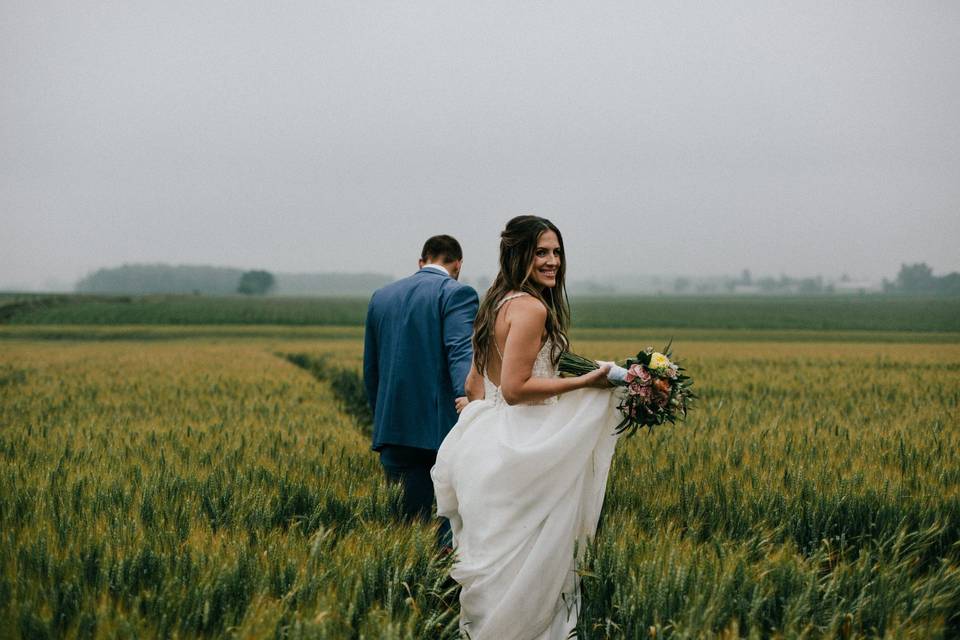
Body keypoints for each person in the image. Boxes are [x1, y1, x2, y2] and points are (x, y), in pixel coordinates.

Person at [432, 215, 621, 640]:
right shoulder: (533, 309)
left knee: (503, 562)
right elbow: (517, 390)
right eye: (541, 252)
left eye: (556, 252)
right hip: (526, 444)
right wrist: (588, 381)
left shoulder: (495, 303)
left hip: (489, 446)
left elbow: (474, 384)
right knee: (535, 563)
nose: (552, 261)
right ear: (518, 254)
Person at [363, 234, 479, 543]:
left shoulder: (382, 296)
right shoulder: (457, 293)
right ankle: (438, 588)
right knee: (447, 524)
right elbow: (459, 351)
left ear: (421, 262)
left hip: (392, 427)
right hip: (439, 429)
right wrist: (468, 401)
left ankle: (406, 586)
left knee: (402, 529)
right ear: (458, 264)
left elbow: (371, 369)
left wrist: (382, 417)